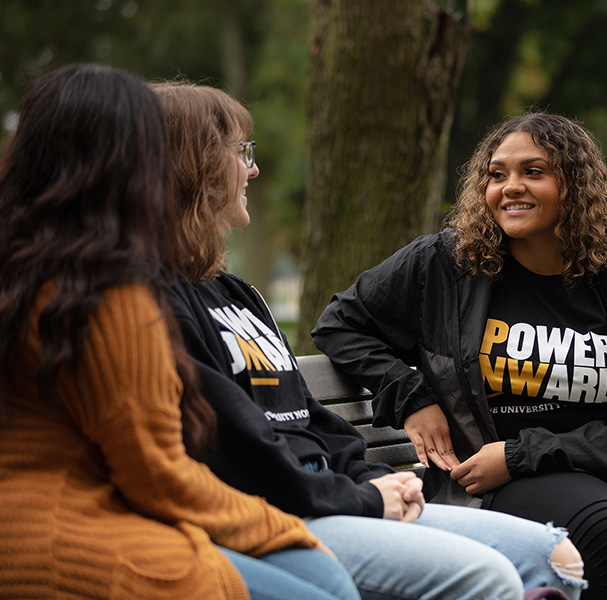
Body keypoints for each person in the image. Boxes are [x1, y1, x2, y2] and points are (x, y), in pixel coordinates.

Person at [152, 80, 587, 600]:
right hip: (286, 510)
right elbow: (240, 447)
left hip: (335, 489)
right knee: (486, 576)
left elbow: (306, 417)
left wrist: (372, 477)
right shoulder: (157, 302)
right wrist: (361, 491)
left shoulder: (236, 292)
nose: (253, 168)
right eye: (240, 153)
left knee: (554, 556)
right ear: (190, 166)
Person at [313, 112, 607, 599]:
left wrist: (523, 453)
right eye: (497, 174)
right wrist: (412, 395)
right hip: (501, 476)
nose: (511, 187)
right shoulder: (445, 266)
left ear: (574, 185)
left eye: (534, 172)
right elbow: (341, 324)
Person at [0, 63, 359, 600]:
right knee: (320, 585)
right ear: (129, 165)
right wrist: (280, 528)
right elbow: (157, 475)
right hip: (72, 545)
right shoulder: (110, 293)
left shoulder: (25, 272)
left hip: (41, 526)